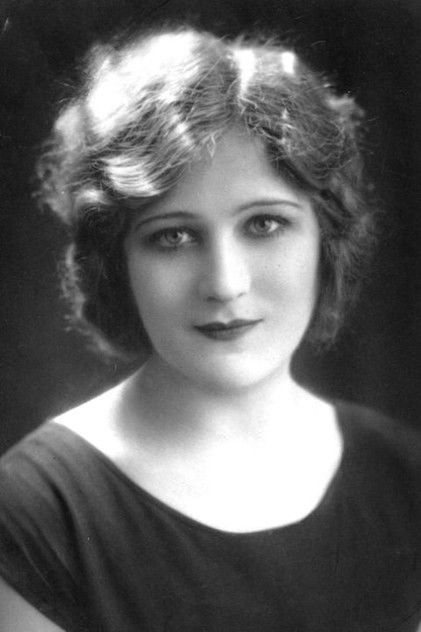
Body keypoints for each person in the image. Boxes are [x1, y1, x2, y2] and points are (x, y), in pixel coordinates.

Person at [1, 24, 421, 632]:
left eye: (264, 225)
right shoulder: (36, 511)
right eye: (173, 236)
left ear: (325, 239)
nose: (225, 283)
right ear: (117, 262)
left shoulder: (404, 475)